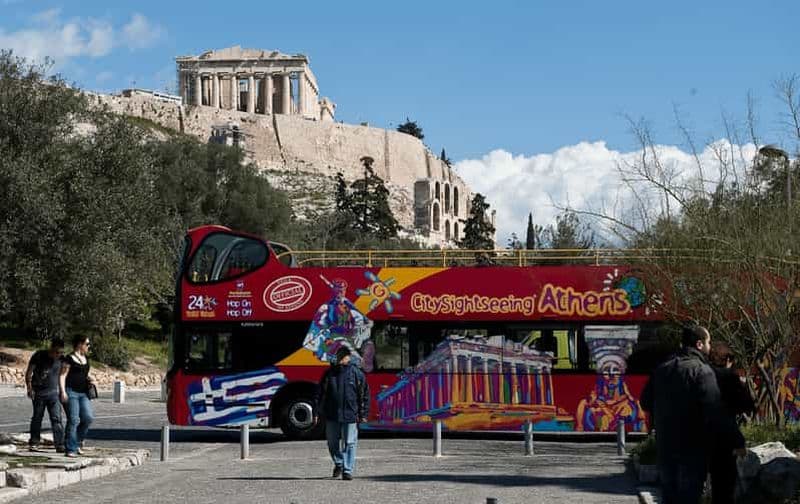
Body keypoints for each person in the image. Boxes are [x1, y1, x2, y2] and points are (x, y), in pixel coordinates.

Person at [640, 325, 744, 504]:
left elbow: (645, 402)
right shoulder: (702, 371)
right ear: (699, 344)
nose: (710, 346)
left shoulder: (662, 369)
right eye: (708, 342)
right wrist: (737, 441)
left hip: (665, 448)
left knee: (669, 497)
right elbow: (716, 411)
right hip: (692, 450)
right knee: (689, 496)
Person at [313, 346, 369, 480]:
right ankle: (339, 462)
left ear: (348, 358)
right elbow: (319, 394)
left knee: (350, 442)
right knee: (332, 443)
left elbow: (365, 395)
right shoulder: (329, 374)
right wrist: (316, 412)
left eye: (344, 356)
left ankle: (347, 470)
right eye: (340, 356)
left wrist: (364, 414)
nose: (342, 359)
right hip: (332, 414)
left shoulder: (357, 373)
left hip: (350, 414)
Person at [709, 341, 754, 504]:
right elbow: (747, 405)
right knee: (724, 489)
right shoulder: (729, 378)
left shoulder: (703, 374)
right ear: (728, 359)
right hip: (724, 443)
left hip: (700, 439)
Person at [25, 338, 66, 452]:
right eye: (57, 352)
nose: (58, 355)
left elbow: (65, 374)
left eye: (61, 352)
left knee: (57, 418)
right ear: (51, 348)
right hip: (38, 393)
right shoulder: (39, 355)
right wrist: (29, 388)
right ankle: (34, 442)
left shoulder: (62, 359)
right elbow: (29, 372)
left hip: (53, 393)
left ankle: (59, 444)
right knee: (37, 418)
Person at [59, 335, 95, 458]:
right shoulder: (69, 359)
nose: (88, 346)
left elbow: (83, 374)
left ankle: (78, 441)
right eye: (87, 344)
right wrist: (63, 392)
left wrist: (89, 378)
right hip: (71, 392)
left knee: (88, 418)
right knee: (73, 420)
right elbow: (62, 376)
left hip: (84, 393)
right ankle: (70, 448)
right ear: (80, 344)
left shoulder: (86, 358)